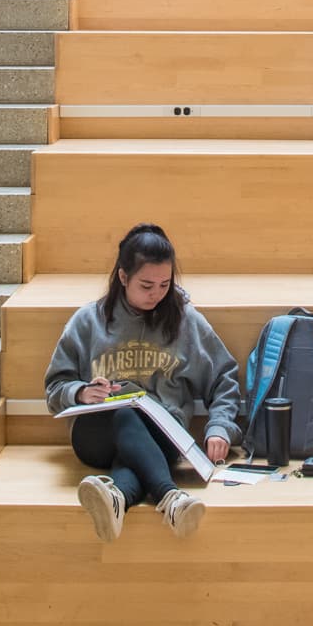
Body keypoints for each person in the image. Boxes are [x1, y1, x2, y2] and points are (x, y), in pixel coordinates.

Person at [45, 224, 242, 543]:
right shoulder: (87, 321)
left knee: (135, 452)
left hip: (163, 435)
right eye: (146, 285)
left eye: (165, 284)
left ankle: (116, 499)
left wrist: (220, 427)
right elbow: (55, 388)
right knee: (125, 413)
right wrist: (81, 392)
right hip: (97, 433)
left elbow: (224, 377)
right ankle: (171, 498)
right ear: (123, 277)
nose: (157, 294)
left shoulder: (185, 321)